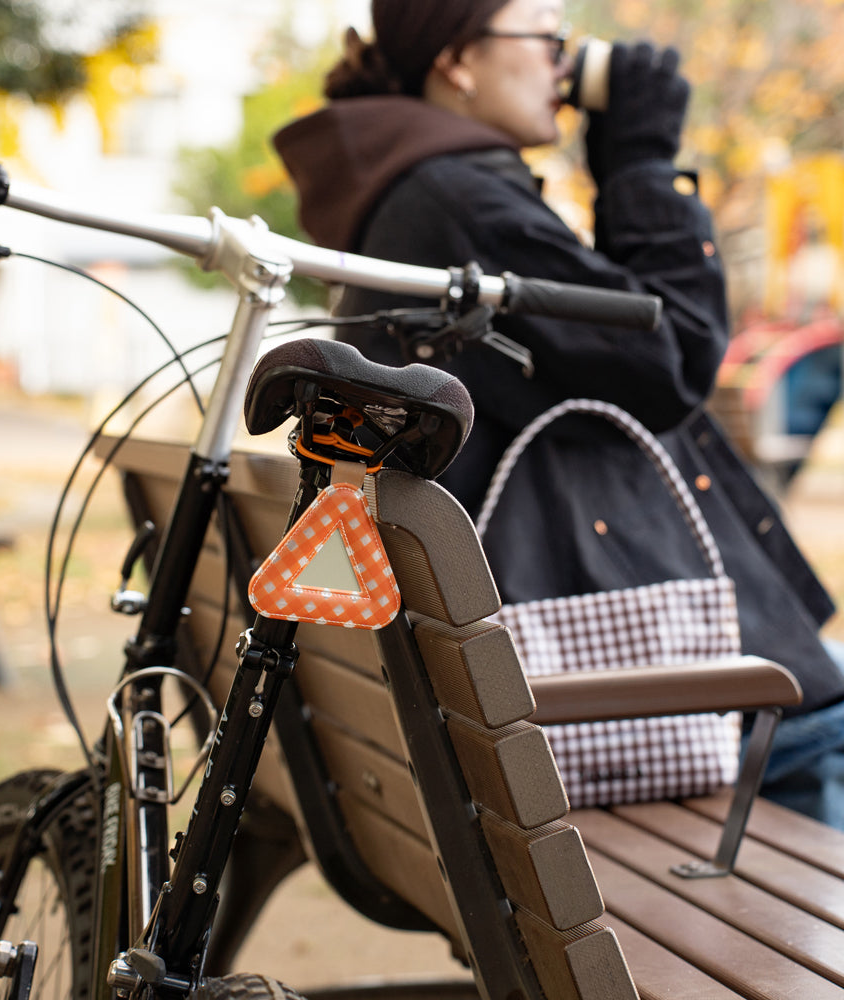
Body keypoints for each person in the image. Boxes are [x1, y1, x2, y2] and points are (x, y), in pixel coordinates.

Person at [273, 0, 844, 826]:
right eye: (545, 37)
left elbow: (615, 346)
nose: (563, 64)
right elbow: (673, 357)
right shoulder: (459, 202)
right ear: (459, 62)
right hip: (664, 705)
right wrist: (642, 166)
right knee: (826, 698)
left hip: (554, 665)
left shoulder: (422, 195)